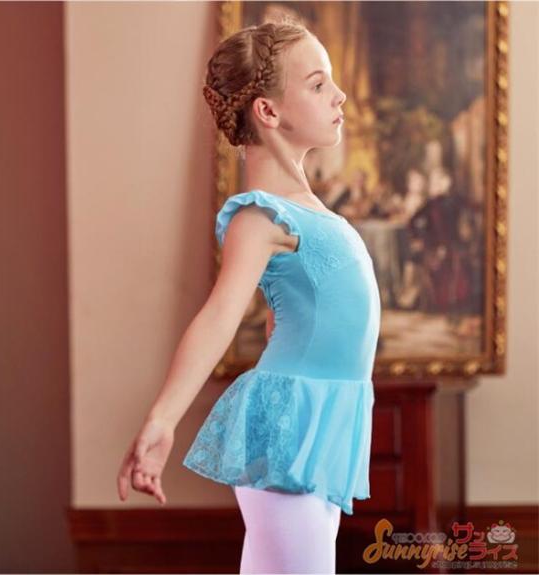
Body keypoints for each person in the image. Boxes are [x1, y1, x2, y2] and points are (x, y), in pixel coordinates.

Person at [117, 21, 381, 574]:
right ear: (268, 111)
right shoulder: (260, 215)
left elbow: (299, 309)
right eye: (318, 84)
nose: (339, 95)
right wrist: (163, 419)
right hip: (292, 425)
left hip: (320, 423)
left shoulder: (306, 208)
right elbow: (219, 315)